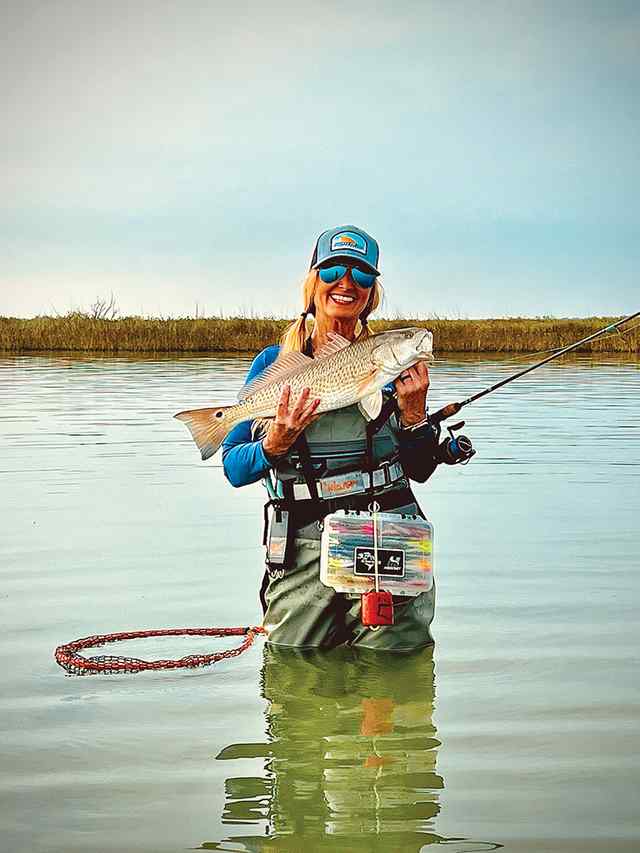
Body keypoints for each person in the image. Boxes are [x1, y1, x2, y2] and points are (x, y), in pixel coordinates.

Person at [222, 225, 442, 650]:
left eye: (361, 276)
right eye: (334, 270)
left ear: (371, 292)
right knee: (297, 679)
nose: (346, 284)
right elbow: (233, 467)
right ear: (312, 281)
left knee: (396, 682)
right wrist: (275, 443)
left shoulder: (395, 367)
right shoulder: (275, 362)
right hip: (303, 543)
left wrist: (415, 417)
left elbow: (421, 469)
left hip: (391, 534)